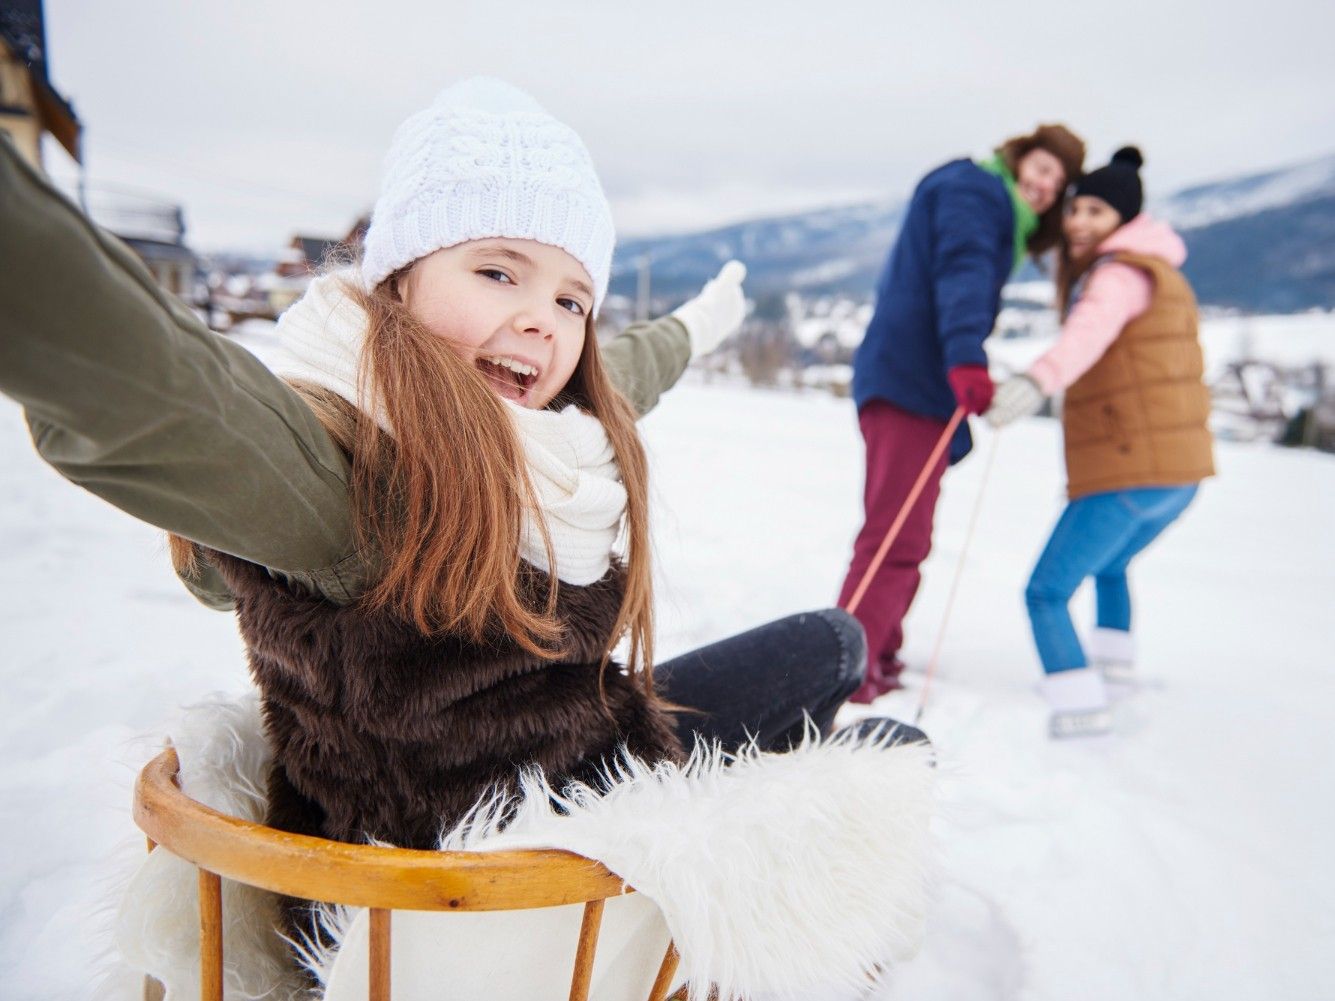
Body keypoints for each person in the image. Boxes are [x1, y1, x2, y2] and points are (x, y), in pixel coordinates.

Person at [0, 78, 925, 863]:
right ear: (398, 280)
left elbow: (624, 373)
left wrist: (698, 324)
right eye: (497, 272)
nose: (542, 320)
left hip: (584, 759)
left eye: (571, 299)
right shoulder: (338, 473)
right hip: (516, 870)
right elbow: (162, 388)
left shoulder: (532, 436)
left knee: (833, 641)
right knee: (889, 743)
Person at [840, 125, 1086, 702]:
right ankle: (847, 668)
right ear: (1019, 157)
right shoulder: (976, 193)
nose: (1046, 186)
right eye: (1043, 168)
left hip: (916, 386)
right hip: (909, 381)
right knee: (894, 533)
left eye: (1058, 182)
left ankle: (878, 650)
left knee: (908, 532)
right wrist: (967, 360)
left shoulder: (983, 199)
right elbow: (963, 273)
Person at [986, 147, 1215, 738]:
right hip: (1179, 476)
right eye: (1074, 210)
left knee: (1045, 592)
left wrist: (1036, 380)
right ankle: (1113, 673)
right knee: (1111, 566)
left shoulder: (1117, 275)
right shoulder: (1159, 269)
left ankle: (1079, 705)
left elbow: (1086, 336)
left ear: (1124, 217)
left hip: (1131, 471)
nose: (1079, 222)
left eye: (1095, 211)